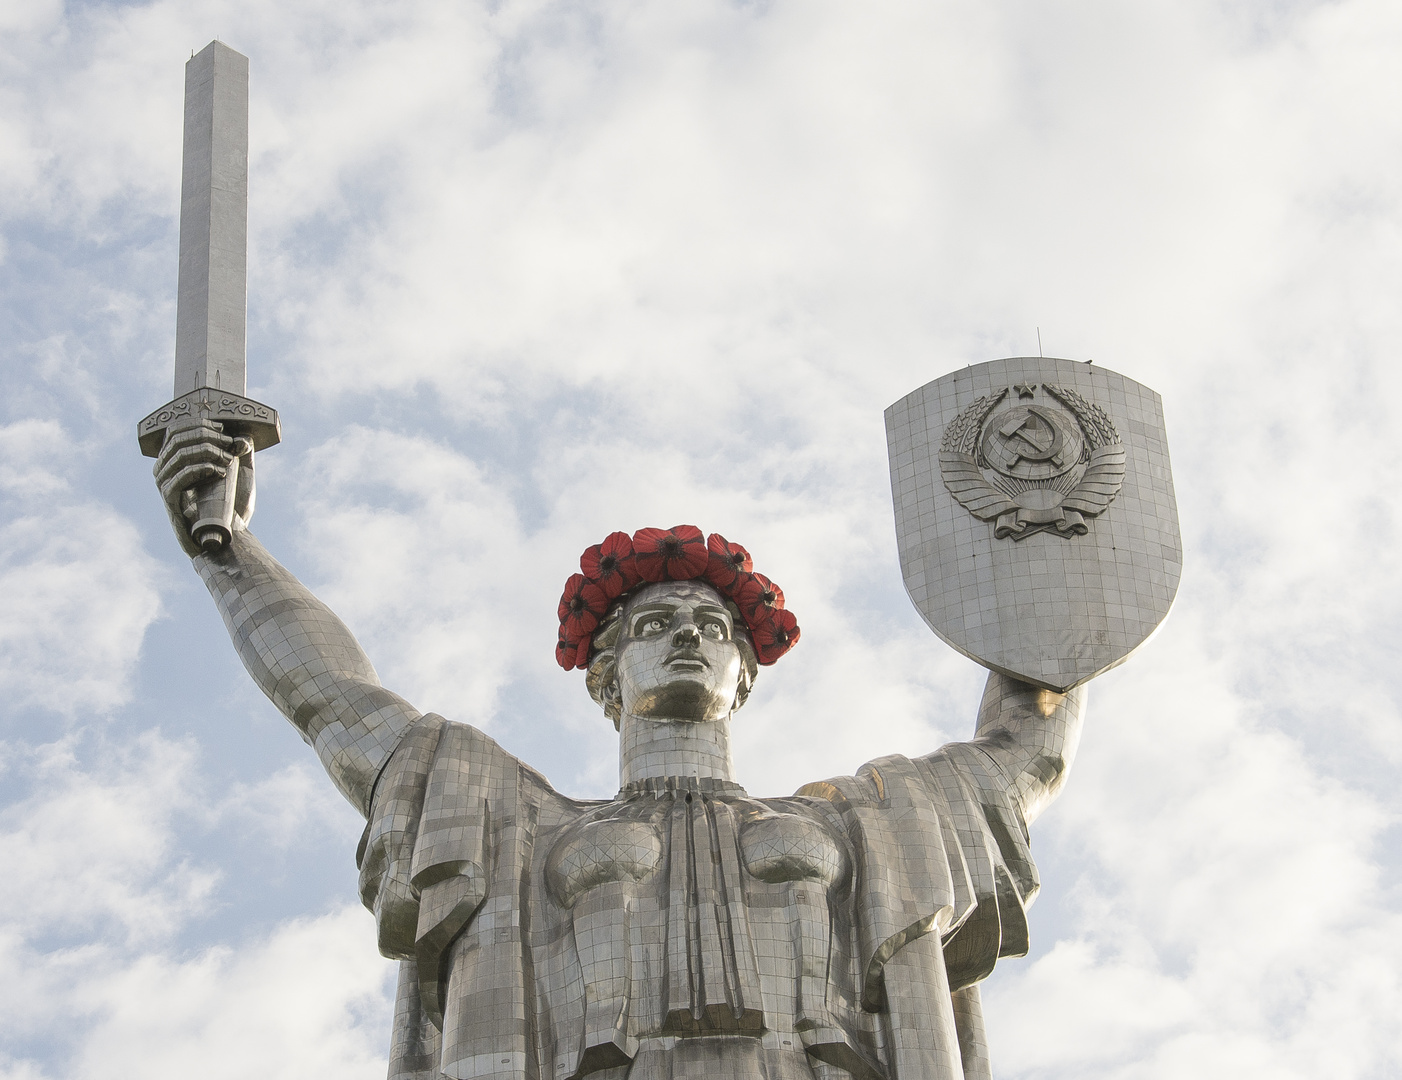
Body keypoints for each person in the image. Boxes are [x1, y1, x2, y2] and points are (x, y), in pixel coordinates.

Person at [154, 419, 1086, 1080]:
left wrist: (1059, 555)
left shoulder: (873, 819)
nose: (688, 635)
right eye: (656, 622)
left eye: (712, 625)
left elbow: (1025, 746)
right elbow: (338, 705)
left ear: (745, 672)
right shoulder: (511, 824)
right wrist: (229, 552)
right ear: (606, 674)